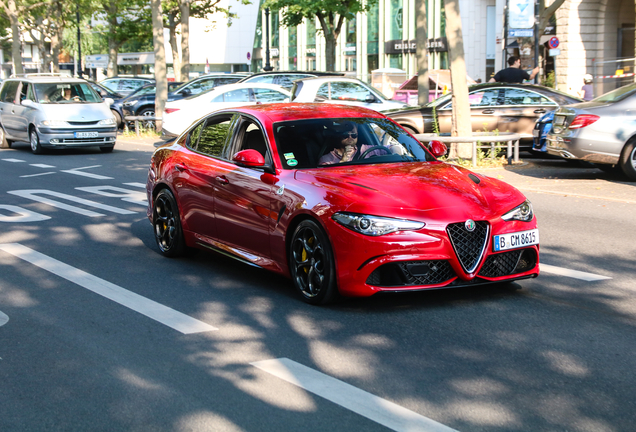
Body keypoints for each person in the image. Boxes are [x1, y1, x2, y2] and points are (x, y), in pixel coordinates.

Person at [319, 122, 384, 165]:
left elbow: (391, 148)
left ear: (357, 135)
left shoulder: (367, 149)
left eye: (353, 135)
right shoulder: (327, 160)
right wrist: (343, 161)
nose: (350, 137)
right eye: (345, 135)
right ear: (338, 136)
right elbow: (328, 180)